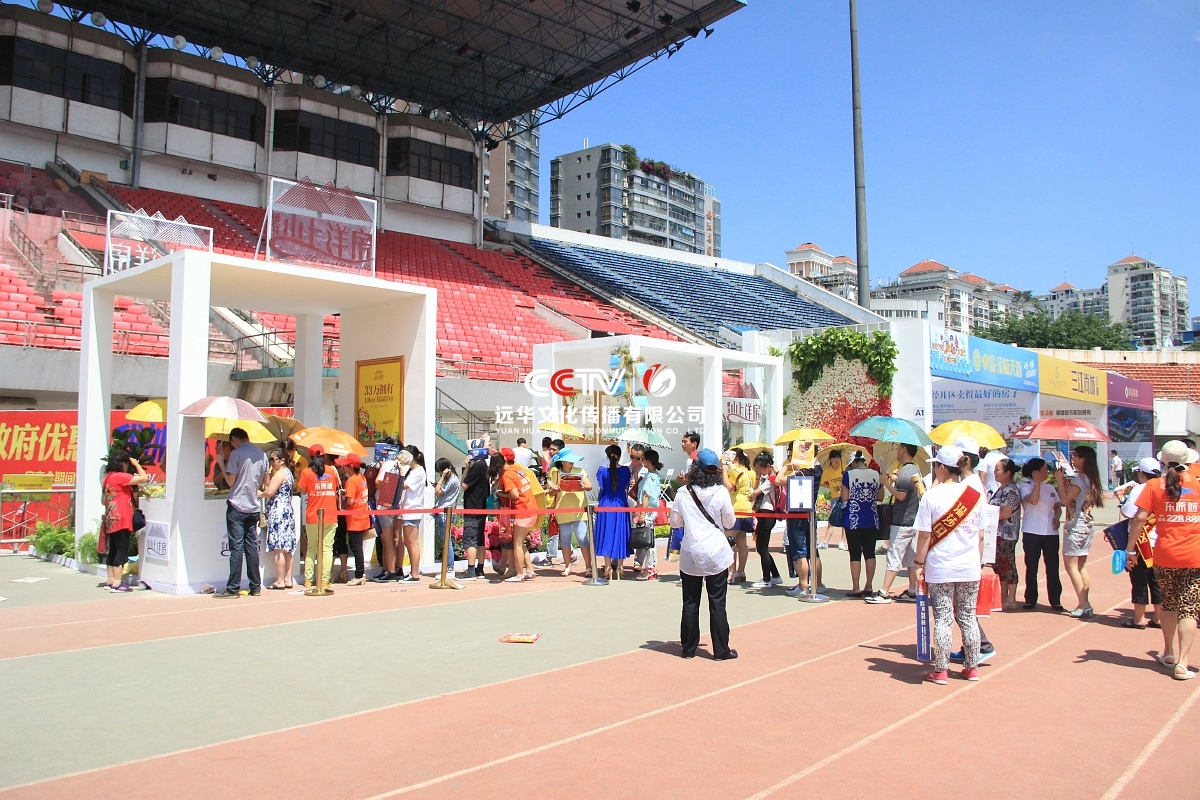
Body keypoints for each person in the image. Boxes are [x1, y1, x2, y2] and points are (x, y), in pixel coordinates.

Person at [913, 445, 985, 684]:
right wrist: (978, 563)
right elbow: (981, 536)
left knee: (943, 617)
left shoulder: (932, 496)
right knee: (968, 616)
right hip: (969, 566)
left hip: (941, 566)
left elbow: (924, 535)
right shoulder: (974, 494)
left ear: (942, 468)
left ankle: (941, 670)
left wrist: (919, 562)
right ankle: (972, 667)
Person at [1128, 440, 1200, 680]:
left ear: (1163, 461)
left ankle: (1168, 652)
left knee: (1169, 604)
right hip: (1194, 555)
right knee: (1188, 608)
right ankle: (1183, 662)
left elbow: (1139, 518)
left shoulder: (1153, 485)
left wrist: (1129, 549)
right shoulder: (1197, 483)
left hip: (1165, 554)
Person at [670, 449, 738, 660]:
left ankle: (688, 648)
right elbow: (729, 522)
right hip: (716, 551)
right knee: (717, 602)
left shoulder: (683, 493)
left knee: (690, 602)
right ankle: (721, 650)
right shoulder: (721, 492)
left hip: (690, 552)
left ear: (694, 469)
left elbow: (675, 522)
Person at [214, 428, 269, 599]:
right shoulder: (262, 455)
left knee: (236, 548)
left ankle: (233, 588)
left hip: (237, 505)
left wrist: (221, 463)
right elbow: (266, 482)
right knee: (251, 547)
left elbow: (230, 481)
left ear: (234, 439)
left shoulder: (236, 454)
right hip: (253, 507)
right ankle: (255, 586)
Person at [873, 443, 923, 603]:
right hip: (911, 519)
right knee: (910, 557)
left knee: (894, 556)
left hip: (902, 521)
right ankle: (913, 590)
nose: (896, 452)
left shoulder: (906, 471)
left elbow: (901, 495)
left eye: (898, 448)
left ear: (904, 450)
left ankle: (884, 591)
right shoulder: (914, 469)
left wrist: (886, 483)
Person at [1116, 457, 1162, 629]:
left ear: (1141, 473)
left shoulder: (1140, 489)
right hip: (1161, 540)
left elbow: (1130, 513)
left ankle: (1139, 618)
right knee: (1157, 581)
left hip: (1142, 541)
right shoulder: (1166, 487)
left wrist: (1122, 500)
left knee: (1139, 579)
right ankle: (1158, 617)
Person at [1060, 445, 1104, 618]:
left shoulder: (1080, 479)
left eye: (1075, 455)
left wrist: (1059, 480)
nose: (1073, 458)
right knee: (1081, 566)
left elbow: (1065, 499)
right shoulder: (1090, 478)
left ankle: (1083, 603)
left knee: (1071, 566)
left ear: (1083, 459)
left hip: (1076, 526)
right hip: (1085, 525)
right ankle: (1085, 602)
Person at [99, 448, 149, 592]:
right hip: (121, 517)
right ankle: (117, 583)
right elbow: (144, 478)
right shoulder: (120, 476)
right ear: (123, 463)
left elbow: (103, 500)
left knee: (113, 549)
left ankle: (110, 580)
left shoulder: (107, 478)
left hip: (110, 518)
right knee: (121, 550)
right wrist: (136, 464)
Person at [778, 445, 823, 597]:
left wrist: (787, 467)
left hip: (797, 513)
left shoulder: (802, 472)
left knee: (799, 551)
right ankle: (818, 584)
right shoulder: (818, 469)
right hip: (811, 513)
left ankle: (803, 585)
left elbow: (778, 480)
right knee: (813, 550)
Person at [1019, 457, 1064, 611]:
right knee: (1031, 567)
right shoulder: (1025, 485)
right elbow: (1033, 500)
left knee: (1053, 567)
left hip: (1050, 532)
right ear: (1035, 472)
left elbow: (1057, 506)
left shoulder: (1050, 487)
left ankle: (1055, 599)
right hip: (1032, 531)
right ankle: (1030, 599)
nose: (1046, 472)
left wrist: (1057, 517)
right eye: (1043, 469)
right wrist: (1037, 483)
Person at [296, 445, 341, 589]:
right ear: (324, 456)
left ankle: (308, 579)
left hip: (313, 515)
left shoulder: (307, 472)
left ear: (310, 457)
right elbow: (337, 487)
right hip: (330, 515)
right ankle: (324, 580)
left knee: (312, 548)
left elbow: (303, 491)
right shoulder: (332, 471)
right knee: (327, 549)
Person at [841, 451, 883, 597]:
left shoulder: (848, 475)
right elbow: (880, 497)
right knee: (870, 552)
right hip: (871, 517)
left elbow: (845, 497)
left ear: (853, 462)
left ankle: (856, 587)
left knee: (855, 553)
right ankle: (869, 585)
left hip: (853, 518)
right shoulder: (876, 474)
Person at [547, 448, 593, 576]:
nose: (571, 463)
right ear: (562, 462)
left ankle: (588, 567)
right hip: (562, 510)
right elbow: (551, 492)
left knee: (582, 538)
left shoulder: (580, 471)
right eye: (569, 460)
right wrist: (556, 489)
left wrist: (582, 487)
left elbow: (589, 486)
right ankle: (567, 566)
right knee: (565, 539)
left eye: (572, 460)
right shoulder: (556, 474)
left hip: (579, 509)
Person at [498, 447, 540, 582]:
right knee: (521, 543)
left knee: (516, 545)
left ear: (504, 459)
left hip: (522, 511)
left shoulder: (508, 474)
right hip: (531, 508)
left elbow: (515, 495)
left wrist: (501, 494)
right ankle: (530, 570)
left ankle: (519, 574)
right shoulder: (518, 469)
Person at [260, 449, 297, 590]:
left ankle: (280, 580)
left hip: (278, 511)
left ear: (282, 460)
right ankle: (288, 578)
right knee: (287, 547)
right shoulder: (288, 473)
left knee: (279, 547)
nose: (271, 463)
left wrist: (258, 493)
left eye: (273, 459)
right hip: (287, 510)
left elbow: (269, 492)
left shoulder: (280, 473)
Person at [988, 458, 1022, 611]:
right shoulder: (1001, 489)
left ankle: (1012, 599)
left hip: (1006, 534)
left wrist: (987, 515)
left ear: (1007, 473)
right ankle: (1003, 597)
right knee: (999, 565)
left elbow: (1005, 513)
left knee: (1008, 565)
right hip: (997, 533)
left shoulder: (1011, 490)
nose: (995, 473)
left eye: (998, 470)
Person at [593, 444, 632, 578]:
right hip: (620, 504)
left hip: (605, 505)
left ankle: (608, 567)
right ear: (619, 456)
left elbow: (602, 487)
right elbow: (626, 486)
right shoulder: (625, 470)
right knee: (620, 533)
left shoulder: (602, 471)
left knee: (606, 534)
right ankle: (620, 567)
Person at [369, 439, 405, 582]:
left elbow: (378, 483)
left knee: (387, 540)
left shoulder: (387, 464)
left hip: (385, 506)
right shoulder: (405, 465)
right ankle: (398, 569)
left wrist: (381, 468)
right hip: (400, 506)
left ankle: (389, 571)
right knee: (398, 539)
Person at [749, 451, 783, 589]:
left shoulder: (771, 479)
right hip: (765, 514)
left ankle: (766, 579)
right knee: (762, 548)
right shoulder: (770, 477)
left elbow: (754, 493)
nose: (757, 471)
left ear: (767, 466)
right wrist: (758, 477)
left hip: (767, 514)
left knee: (762, 548)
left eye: (759, 468)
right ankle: (775, 576)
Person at [721, 449, 754, 584]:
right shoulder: (749, 472)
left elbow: (730, 487)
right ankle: (741, 571)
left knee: (730, 541)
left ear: (736, 459)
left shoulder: (736, 471)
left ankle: (732, 572)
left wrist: (724, 472)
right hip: (746, 508)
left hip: (735, 508)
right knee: (742, 542)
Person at [457, 444, 489, 580]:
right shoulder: (484, 466)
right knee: (480, 540)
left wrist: (468, 467)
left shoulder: (478, 466)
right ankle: (479, 569)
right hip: (481, 508)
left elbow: (464, 485)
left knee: (470, 540)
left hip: (473, 507)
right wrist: (468, 466)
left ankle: (471, 571)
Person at [397, 446, 428, 583]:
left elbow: (404, 485)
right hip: (407, 510)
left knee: (412, 542)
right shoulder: (413, 471)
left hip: (412, 510)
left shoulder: (418, 471)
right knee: (409, 542)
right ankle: (412, 572)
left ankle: (415, 574)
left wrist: (400, 471)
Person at [635, 448, 663, 581]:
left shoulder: (650, 477)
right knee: (649, 539)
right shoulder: (653, 475)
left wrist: (642, 514)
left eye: (643, 459)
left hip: (648, 511)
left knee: (648, 540)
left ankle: (650, 567)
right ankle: (650, 566)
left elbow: (646, 496)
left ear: (648, 461)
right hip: (651, 510)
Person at [433, 457, 461, 561]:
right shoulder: (451, 479)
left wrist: (441, 478)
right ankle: (448, 565)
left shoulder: (452, 480)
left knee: (446, 541)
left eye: (440, 472)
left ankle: (449, 566)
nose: (440, 474)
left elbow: (437, 492)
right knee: (445, 541)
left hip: (445, 513)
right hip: (444, 512)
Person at [820, 450, 846, 549]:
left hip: (845, 497)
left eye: (838, 457)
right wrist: (830, 487)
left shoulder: (845, 469)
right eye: (834, 458)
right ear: (830, 460)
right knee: (832, 519)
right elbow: (820, 482)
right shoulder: (827, 472)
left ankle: (842, 541)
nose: (837, 460)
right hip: (835, 498)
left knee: (845, 519)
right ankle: (825, 542)